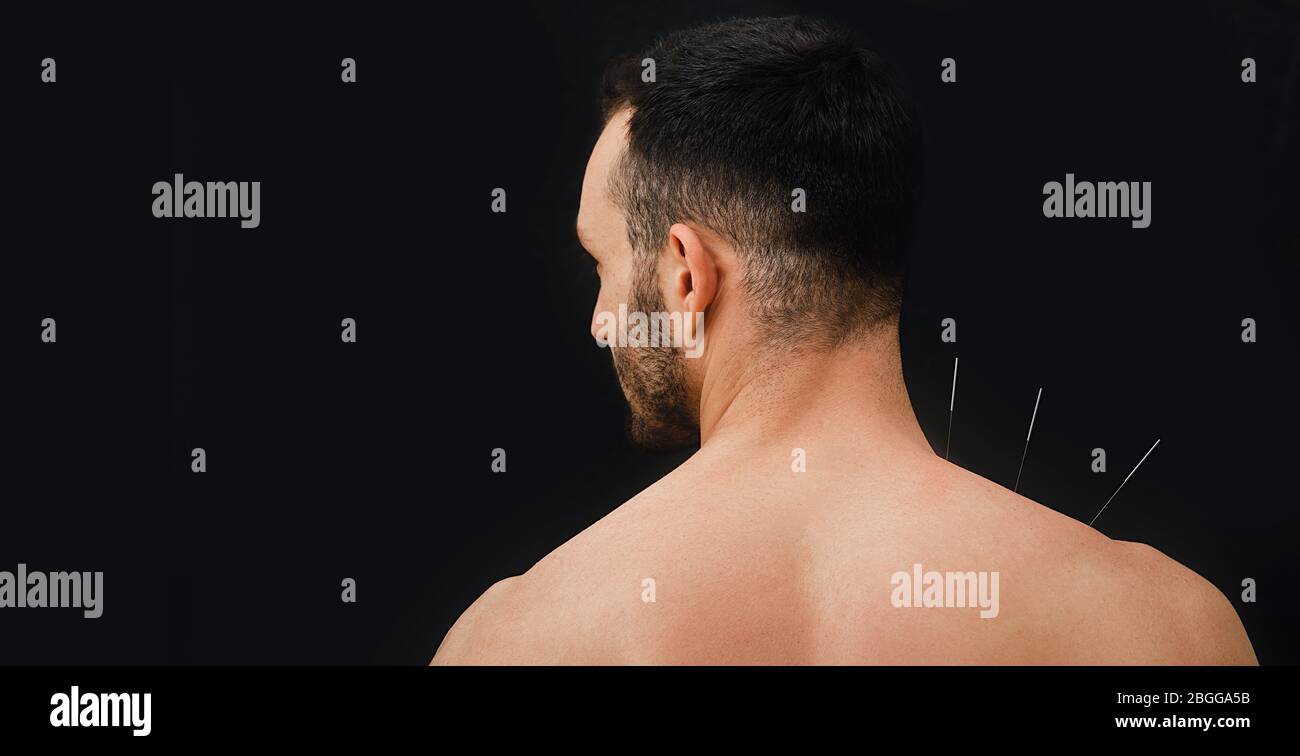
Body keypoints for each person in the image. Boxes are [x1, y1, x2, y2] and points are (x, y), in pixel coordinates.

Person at [433, 16, 1256, 665]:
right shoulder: (1161, 629)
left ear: (686, 275)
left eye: (601, 263)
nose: (600, 319)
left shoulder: (514, 640)